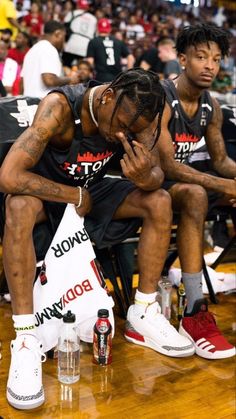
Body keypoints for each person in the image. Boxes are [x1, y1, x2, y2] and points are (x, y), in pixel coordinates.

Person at [0, 68, 194, 410]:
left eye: (133, 130)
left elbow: (158, 173)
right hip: (51, 192)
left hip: (90, 191)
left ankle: (144, 312)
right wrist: (72, 194)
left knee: (159, 200)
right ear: (106, 97)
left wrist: (145, 177)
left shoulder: (137, 114)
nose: (124, 134)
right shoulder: (60, 109)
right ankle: (27, 337)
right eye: (121, 124)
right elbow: (10, 175)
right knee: (18, 206)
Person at [151, 23, 236, 360]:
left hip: (181, 183)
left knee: (210, 193)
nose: (210, 66)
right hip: (144, 184)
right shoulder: (162, 98)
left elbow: (221, 161)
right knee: (197, 194)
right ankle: (194, 310)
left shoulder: (210, 106)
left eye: (216, 59)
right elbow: (167, 166)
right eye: (201, 57)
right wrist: (222, 183)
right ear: (182, 59)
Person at [21, 20, 80, 98]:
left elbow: (21, 83)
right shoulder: (49, 49)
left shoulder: (32, 50)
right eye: (64, 37)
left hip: (29, 103)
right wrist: (70, 79)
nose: (64, 42)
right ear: (57, 34)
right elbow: (49, 80)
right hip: (42, 103)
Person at [87, 18, 135, 82]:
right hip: (117, 79)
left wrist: (91, 74)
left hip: (100, 78)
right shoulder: (118, 41)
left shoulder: (93, 42)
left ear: (97, 29)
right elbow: (131, 58)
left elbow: (90, 61)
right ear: (109, 29)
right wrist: (128, 75)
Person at [62, 0, 97, 68]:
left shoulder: (72, 13)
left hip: (72, 44)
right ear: (87, 7)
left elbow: (64, 28)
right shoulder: (93, 18)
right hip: (85, 47)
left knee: (66, 67)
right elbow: (94, 35)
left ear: (77, 5)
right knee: (81, 70)